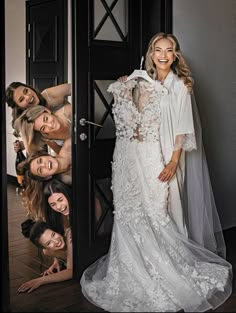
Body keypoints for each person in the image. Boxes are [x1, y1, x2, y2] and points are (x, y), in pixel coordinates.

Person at [80, 33, 232, 312]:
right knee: (138, 212)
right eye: (158, 50)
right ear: (150, 53)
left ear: (176, 55)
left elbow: (184, 130)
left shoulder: (181, 85)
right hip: (141, 155)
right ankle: (138, 266)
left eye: (169, 50)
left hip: (169, 157)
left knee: (167, 212)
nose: (163, 55)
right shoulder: (143, 83)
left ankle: (171, 268)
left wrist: (173, 161)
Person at [5, 82, 71, 152]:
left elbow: (79, 87)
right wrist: (23, 144)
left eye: (26, 91)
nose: (27, 97)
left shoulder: (50, 94)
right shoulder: (31, 125)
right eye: (21, 99)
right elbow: (59, 151)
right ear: (19, 107)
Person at [18, 219, 72, 293]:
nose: (56, 241)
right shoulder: (47, 251)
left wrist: (40, 280)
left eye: (53, 234)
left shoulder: (70, 236)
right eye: (49, 243)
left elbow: (70, 272)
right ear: (44, 247)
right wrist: (56, 262)